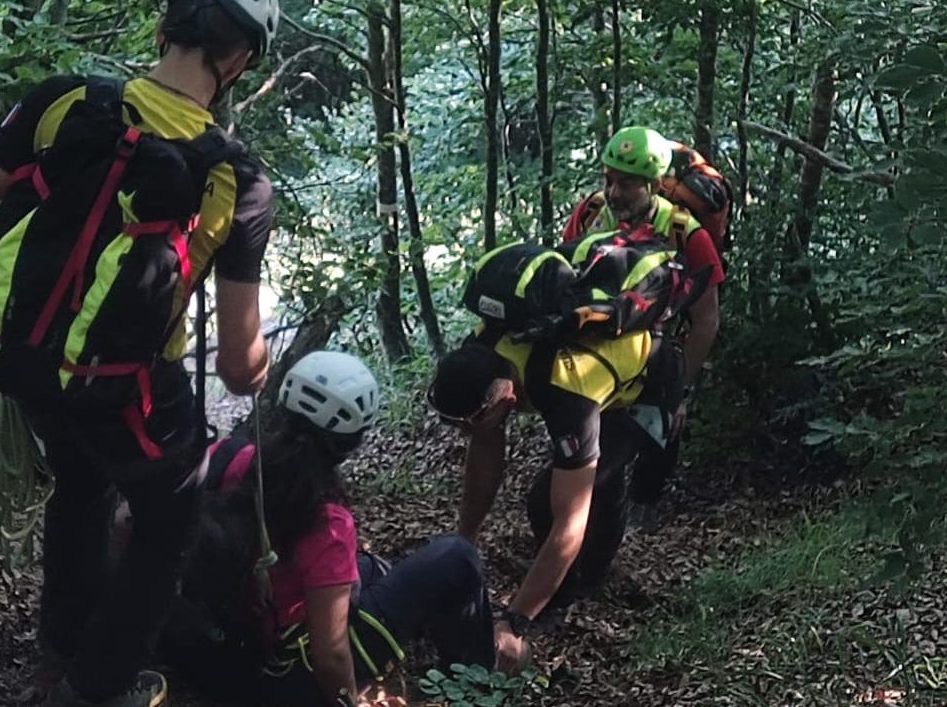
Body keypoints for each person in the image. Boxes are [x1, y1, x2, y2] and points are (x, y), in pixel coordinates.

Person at [0, 0, 280, 707]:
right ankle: (96, 684)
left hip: (30, 365)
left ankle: (62, 643)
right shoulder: (236, 180)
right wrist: (264, 360)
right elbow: (241, 370)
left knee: (79, 484)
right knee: (168, 521)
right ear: (236, 57)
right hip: (135, 392)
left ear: (164, 26)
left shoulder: (62, 102)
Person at [161, 351, 495, 706]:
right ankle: (478, 685)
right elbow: (330, 656)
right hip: (280, 676)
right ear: (352, 441)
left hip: (214, 651)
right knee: (456, 557)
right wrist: (350, 700)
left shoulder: (227, 455)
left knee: (371, 569)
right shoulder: (327, 522)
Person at [426, 324, 683, 672]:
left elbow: (569, 522)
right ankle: (564, 577)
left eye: (468, 424)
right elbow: (485, 451)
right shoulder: (483, 349)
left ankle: (583, 583)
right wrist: (463, 543)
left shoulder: (568, 394)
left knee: (548, 500)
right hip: (591, 384)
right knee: (583, 480)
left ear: (508, 399)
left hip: (646, 390)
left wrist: (515, 621)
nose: (462, 434)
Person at [561, 126, 726, 531]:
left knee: (662, 426)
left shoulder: (686, 232)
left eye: (627, 184)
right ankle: (601, 509)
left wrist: (681, 386)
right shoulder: (590, 215)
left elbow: (706, 316)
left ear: (654, 185)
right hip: (597, 344)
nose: (614, 193)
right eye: (609, 180)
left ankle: (645, 502)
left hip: (660, 347)